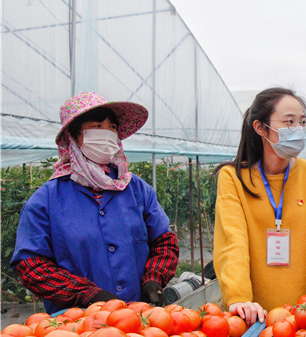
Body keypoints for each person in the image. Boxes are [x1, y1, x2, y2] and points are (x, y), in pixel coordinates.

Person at [10, 92, 179, 314]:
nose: (107, 134)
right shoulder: (45, 201)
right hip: (77, 324)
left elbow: (164, 242)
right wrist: (87, 294)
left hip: (139, 317)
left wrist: (154, 278)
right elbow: (31, 266)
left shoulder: (137, 189)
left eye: (112, 128)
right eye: (97, 126)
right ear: (74, 136)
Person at [213, 87, 306, 325]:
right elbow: (232, 242)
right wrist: (238, 297)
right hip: (253, 317)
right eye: (289, 122)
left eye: (302, 122)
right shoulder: (233, 178)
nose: (298, 129)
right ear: (260, 127)